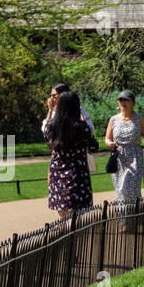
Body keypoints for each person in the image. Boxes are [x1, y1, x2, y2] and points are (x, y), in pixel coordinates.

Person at [43, 90, 97, 219]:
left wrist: (50, 111)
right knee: (78, 213)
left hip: (58, 172)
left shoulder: (51, 127)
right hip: (77, 172)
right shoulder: (82, 128)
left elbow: (44, 128)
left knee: (62, 209)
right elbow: (93, 146)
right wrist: (83, 120)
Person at [104, 90, 144, 208]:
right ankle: (126, 218)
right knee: (120, 190)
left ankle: (132, 215)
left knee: (129, 189)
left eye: (126, 100)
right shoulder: (113, 120)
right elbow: (107, 139)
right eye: (121, 100)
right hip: (118, 159)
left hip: (135, 158)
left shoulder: (140, 119)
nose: (123, 103)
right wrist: (110, 144)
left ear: (133, 103)